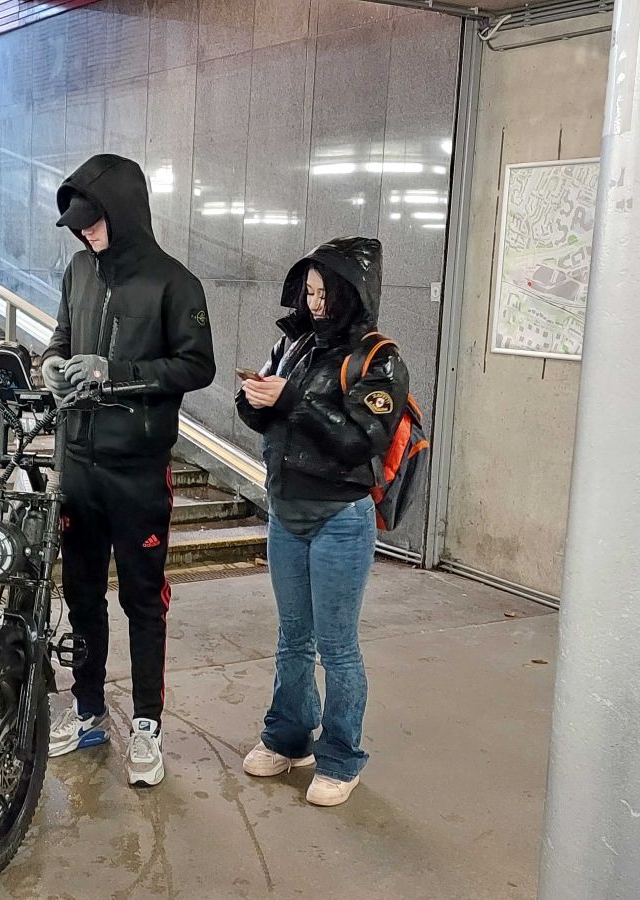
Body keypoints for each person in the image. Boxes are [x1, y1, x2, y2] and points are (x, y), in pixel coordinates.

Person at [41, 154, 215, 788]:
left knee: (143, 599)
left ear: (125, 214)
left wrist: (120, 375)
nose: (86, 236)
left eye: (93, 224)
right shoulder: (78, 271)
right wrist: (52, 362)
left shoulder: (175, 283)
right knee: (81, 595)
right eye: (80, 228)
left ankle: (147, 724)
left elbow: (197, 367)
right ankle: (88, 711)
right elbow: (61, 334)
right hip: (77, 462)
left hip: (137, 469)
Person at [235, 237, 408, 807]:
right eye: (307, 291)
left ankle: (340, 758)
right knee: (292, 640)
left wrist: (291, 400)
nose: (312, 303)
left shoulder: (379, 359)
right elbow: (263, 417)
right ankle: (287, 739)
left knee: (336, 647)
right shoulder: (294, 344)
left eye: (322, 293)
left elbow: (359, 437)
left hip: (340, 518)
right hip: (285, 511)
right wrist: (255, 397)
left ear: (348, 294)